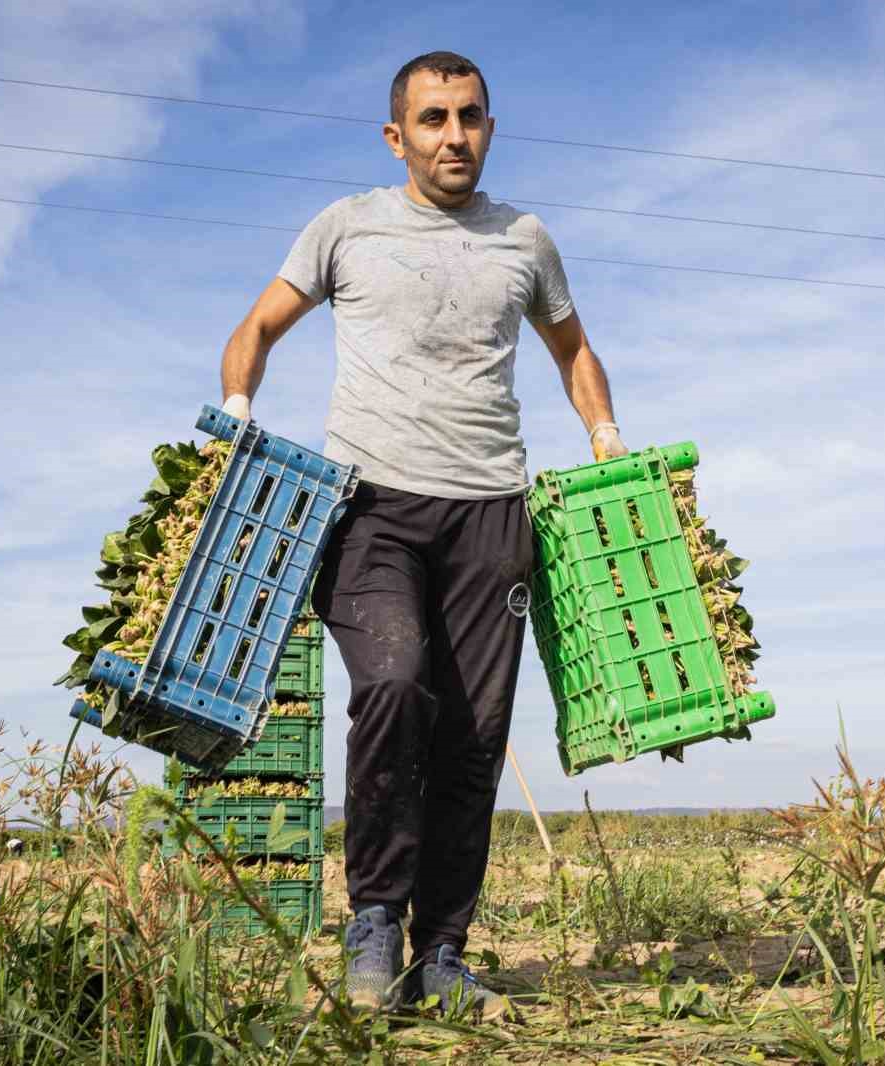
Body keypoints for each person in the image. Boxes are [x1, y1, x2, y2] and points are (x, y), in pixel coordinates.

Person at [218, 51, 627, 1017]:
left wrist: (605, 434)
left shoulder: (525, 240)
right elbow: (259, 327)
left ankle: (442, 950)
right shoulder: (347, 226)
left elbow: (574, 352)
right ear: (397, 136)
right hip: (372, 508)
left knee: (475, 736)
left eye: (472, 117)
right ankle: (373, 921)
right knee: (394, 684)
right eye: (435, 119)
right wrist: (238, 406)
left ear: (491, 126)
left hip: (492, 510)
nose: (456, 137)